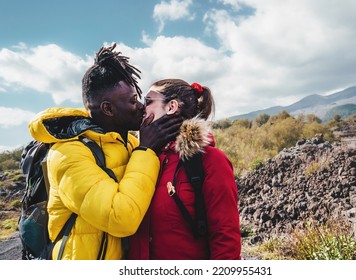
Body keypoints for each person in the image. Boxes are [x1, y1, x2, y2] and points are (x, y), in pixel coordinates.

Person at [27, 44, 182, 260]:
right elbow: (122, 218)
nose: (140, 106)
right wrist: (146, 149)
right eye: (131, 100)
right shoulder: (68, 154)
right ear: (108, 109)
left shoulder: (125, 142)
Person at [128, 79, 241, 260]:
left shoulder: (210, 160)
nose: (142, 108)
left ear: (171, 106)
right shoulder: (142, 159)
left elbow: (225, 238)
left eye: (148, 101)